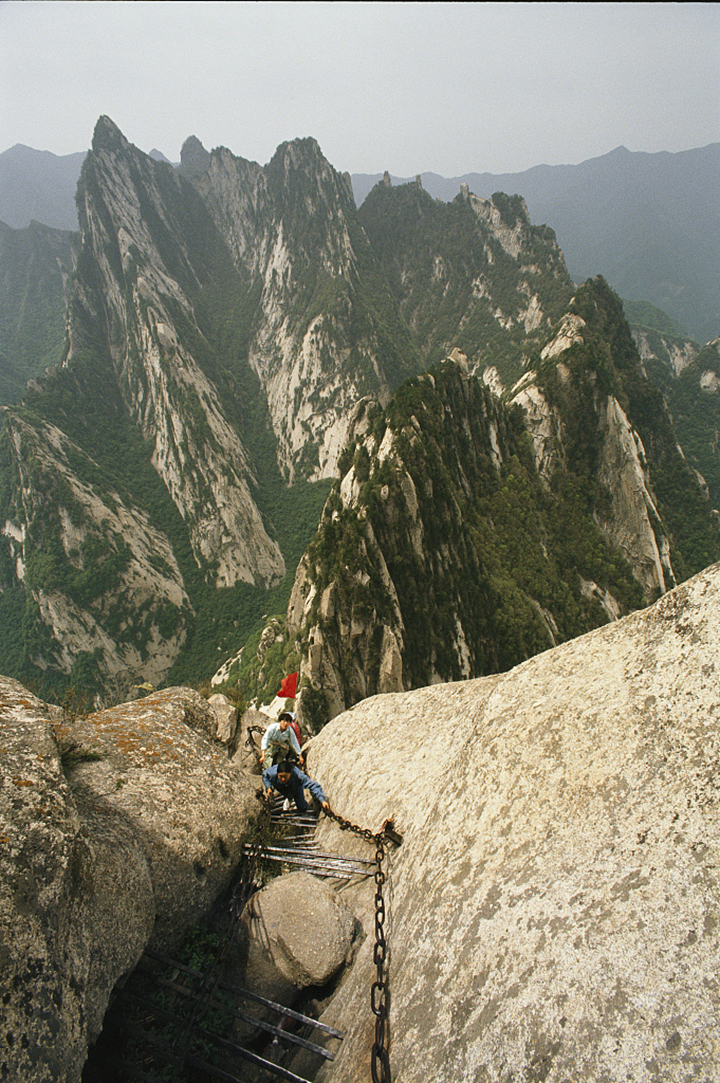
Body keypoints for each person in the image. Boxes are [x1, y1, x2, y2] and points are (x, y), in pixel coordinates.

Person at [262, 759, 330, 813]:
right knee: (285, 794)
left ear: (291, 772)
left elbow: (312, 785)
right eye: (281, 776)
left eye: (285, 776)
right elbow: (264, 775)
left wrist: (322, 800)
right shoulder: (272, 773)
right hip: (281, 788)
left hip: (295, 788)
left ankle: (297, 804)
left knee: (302, 807)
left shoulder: (298, 776)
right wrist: (268, 787)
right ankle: (288, 799)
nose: (283, 779)